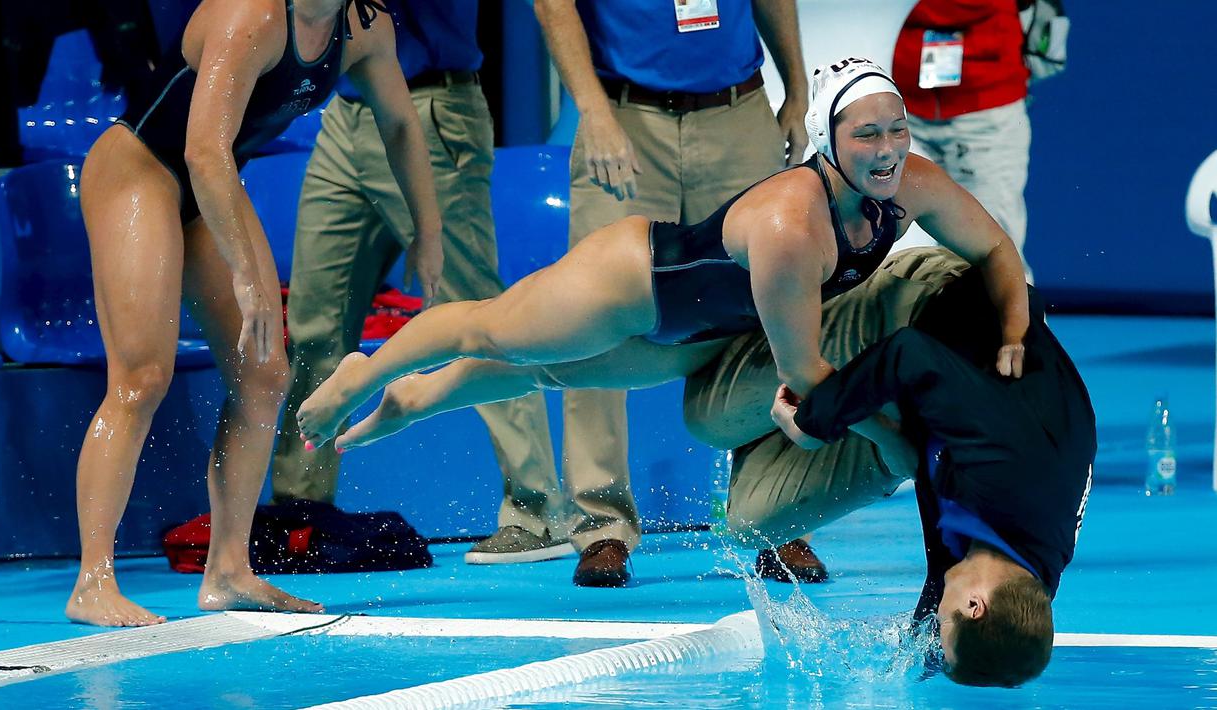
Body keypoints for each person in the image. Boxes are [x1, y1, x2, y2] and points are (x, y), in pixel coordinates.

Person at [294, 60, 1029, 554]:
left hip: (709, 329)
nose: (888, 149)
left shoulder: (910, 183)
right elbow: (805, 370)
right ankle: (362, 375)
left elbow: (996, 250)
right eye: (866, 134)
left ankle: (417, 398)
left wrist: (1016, 331)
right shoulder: (790, 225)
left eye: (896, 128)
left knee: (549, 376)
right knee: (494, 328)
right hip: (634, 283)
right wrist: (892, 442)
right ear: (825, 143)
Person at [68, 0, 442, 627]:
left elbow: (401, 125)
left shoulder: (364, 28)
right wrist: (246, 273)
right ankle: (92, 581)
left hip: (210, 189)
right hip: (141, 169)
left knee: (265, 376)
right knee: (141, 376)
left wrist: (428, 232)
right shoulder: (255, 16)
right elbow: (202, 151)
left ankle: (229, 571)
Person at [271, 1, 572, 566]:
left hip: (430, 109)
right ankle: (301, 513)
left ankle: (536, 512)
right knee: (314, 325)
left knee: (483, 321)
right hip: (346, 112)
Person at [532, 0, 814, 586]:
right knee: (590, 322)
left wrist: (797, 90)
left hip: (738, 115)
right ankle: (601, 526)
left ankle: (780, 524)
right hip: (626, 117)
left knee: (769, 317)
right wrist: (592, 110)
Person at [773, 259, 1095, 687]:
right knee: (714, 416)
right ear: (975, 606)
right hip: (927, 298)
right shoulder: (1011, 476)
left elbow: (947, 589)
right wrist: (813, 423)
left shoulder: (1018, 587)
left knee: (751, 520)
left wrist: (905, 677)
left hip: (938, 392)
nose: (934, 624)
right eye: (942, 632)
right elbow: (908, 354)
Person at [892, 0, 1035, 279]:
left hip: (985, 112)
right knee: (893, 258)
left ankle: (1020, 324)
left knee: (994, 252)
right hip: (898, 107)